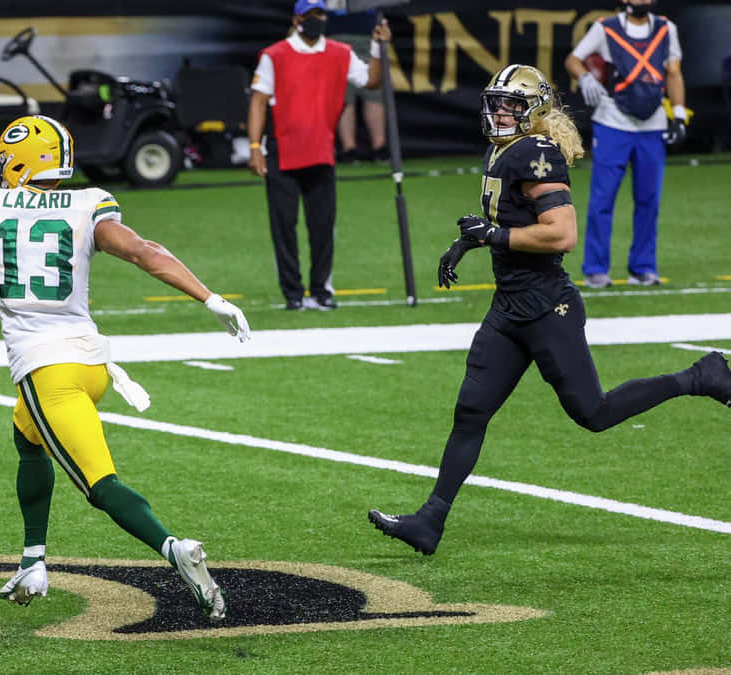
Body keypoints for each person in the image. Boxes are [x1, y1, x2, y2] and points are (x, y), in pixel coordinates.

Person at [0, 114, 252, 620]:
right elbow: (143, 252)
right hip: (90, 364)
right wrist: (210, 297)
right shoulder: (89, 203)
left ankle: (175, 549)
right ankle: (32, 562)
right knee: (26, 434)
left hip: (47, 371)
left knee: (100, 486)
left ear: (19, 161)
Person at [367, 65, 731, 556]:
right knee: (471, 411)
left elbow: (561, 234)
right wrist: (467, 242)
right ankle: (430, 521)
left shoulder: (536, 153)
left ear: (533, 109)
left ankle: (700, 376)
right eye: (496, 102)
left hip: (546, 306)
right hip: (509, 306)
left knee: (594, 413)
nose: (500, 112)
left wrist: (493, 236)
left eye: (511, 105)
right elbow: (506, 218)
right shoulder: (503, 148)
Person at [247, 0, 391, 311]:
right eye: (310, 15)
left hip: (321, 152)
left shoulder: (340, 53)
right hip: (282, 153)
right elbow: (258, 102)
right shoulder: (274, 55)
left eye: (321, 14)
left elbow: (371, 81)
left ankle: (320, 290)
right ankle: (293, 293)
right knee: (284, 228)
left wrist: (378, 47)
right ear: (297, 19)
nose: (317, 20)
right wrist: (255, 147)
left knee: (323, 227)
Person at [565, 0, 687, 288]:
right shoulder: (605, 28)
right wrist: (585, 78)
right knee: (603, 198)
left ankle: (643, 267)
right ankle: (596, 269)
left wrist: (679, 115)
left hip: (652, 124)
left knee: (649, 200)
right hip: (612, 123)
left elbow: (673, 72)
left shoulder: (666, 29)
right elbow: (573, 59)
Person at [327, 9, 388, 164]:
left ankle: (379, 148)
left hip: (365, 31)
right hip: (337, 31)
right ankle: (350, 149)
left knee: (373, 93)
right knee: (344, 95)